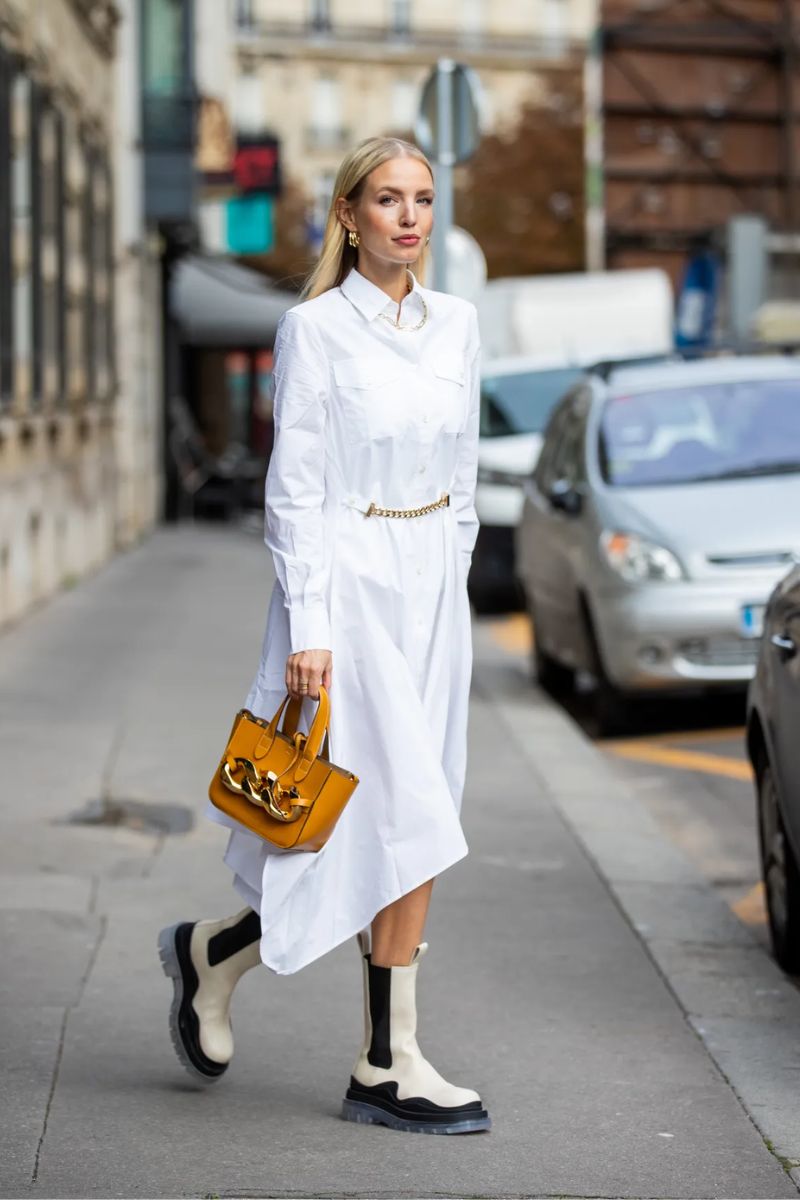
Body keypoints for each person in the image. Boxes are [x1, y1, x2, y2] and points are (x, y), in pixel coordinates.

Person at [158, 135, 490, 1135]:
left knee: (409, 812)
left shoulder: (460, 325)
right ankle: (388, 1061)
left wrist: (454, 580)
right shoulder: (314, 331)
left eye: (422, 200)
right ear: (347, 215)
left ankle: (216, 954)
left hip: (431, 586)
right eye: (386, 199)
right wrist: (309, 626)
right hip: (346, 591)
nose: (407, 218)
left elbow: (465, 475)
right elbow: (293, 491)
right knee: (395, 820)